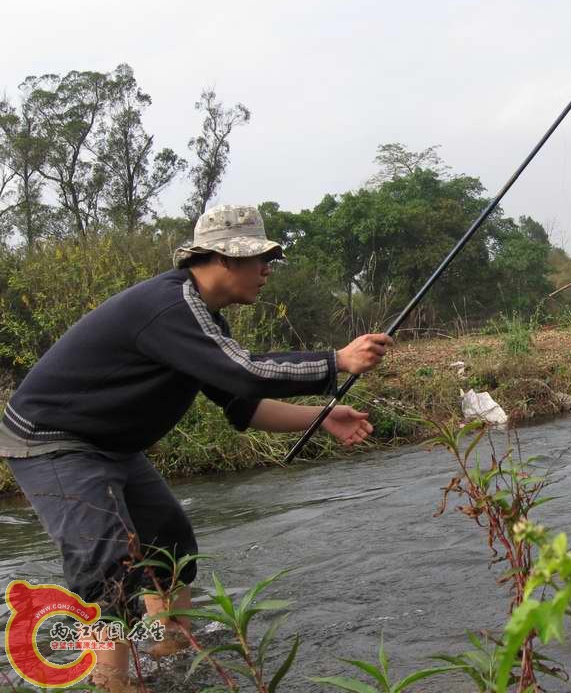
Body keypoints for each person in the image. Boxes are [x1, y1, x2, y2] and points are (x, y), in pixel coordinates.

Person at [0, 205, 393, 692]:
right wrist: (336, 360)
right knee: (109, 568)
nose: (267, 270)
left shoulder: (203, 322)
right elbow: (245, 372)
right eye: (259, 259)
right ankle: (113, 684)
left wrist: (323, 416)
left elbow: (242, 405)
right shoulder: (171, 308)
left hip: (111, 445)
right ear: (224, 259)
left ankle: (166, 653)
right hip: (51, 441)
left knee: (170, 541)